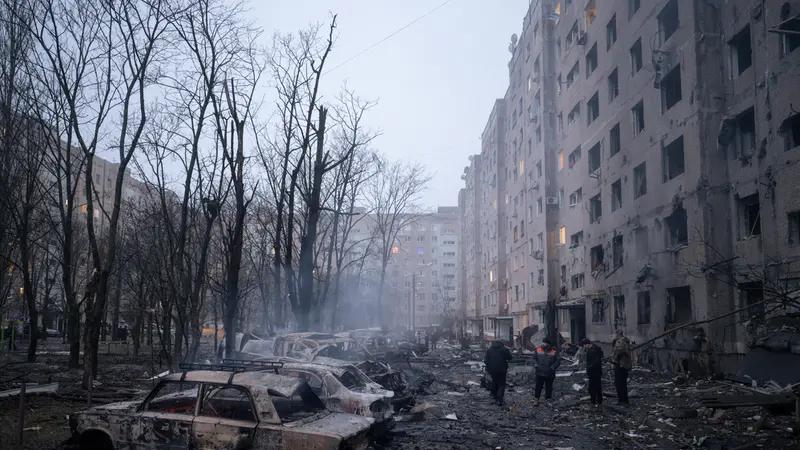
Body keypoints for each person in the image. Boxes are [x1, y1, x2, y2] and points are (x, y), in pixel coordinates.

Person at [484, 339, 513, 406]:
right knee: (501, 384)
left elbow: (485, 360)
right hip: (502, 369)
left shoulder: (489, 350)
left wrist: (489, 366)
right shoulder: (504, 349)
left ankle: (494, 396)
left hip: (492, 370)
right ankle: (499, 399)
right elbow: (510, 358)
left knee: (494, 382)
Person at [533, 337, 560, 406]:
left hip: (549, 373)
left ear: (548, 344)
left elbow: (558, 361)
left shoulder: (554, 351)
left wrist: (553, 367)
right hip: (539, 372)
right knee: (538, 387)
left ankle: (548, 399)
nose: (543, 344)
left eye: (544, 343)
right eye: (543, 342)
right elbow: (534, 358)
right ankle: (536, 399)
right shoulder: (538, 350)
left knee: (549, 387)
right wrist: (535, 364)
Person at [611, 329, 632, 405]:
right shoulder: (626, 341)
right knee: (623, 383)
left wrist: (615, 359)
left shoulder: (620, 341)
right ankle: (624, 400)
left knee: (619, 383)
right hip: (625, 364)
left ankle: (621, 400)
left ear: (617, 334)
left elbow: (619, 351)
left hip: (620, 364)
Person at [581, 338, 603, 406]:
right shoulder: (596, 348)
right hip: (597, 371)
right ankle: (599, 400)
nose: (584, 347)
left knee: (592, 387)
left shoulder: (592, 350)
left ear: (587, 344)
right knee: (597, 386)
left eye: (584, 345)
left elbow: (595, 361)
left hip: (593, 371)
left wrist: (589, 367)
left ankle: (593, 400)